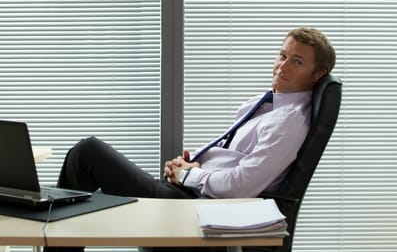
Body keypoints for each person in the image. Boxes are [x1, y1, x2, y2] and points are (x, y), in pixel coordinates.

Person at [47, 27, 335, 251]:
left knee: (88, 153)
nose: (283, 66)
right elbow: (229, 153)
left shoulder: (290, 121)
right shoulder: (270, 104)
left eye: (297, 62)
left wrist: (189, 177)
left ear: (317, 74)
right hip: (190, 193)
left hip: (199, 208)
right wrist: (189, 163)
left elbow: (241, 186)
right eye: (282, 55)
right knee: (85, 190)